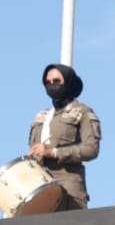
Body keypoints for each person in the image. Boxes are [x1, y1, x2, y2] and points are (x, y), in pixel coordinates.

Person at [27, 63, 100, 211]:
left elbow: (92, 150)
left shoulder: (82, 112)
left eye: (56, 81)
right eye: (47, 82)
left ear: (68, 82)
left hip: (69, 191)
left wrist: (54, 153)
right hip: (40, 190)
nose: (51, 85)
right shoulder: (41, 116)